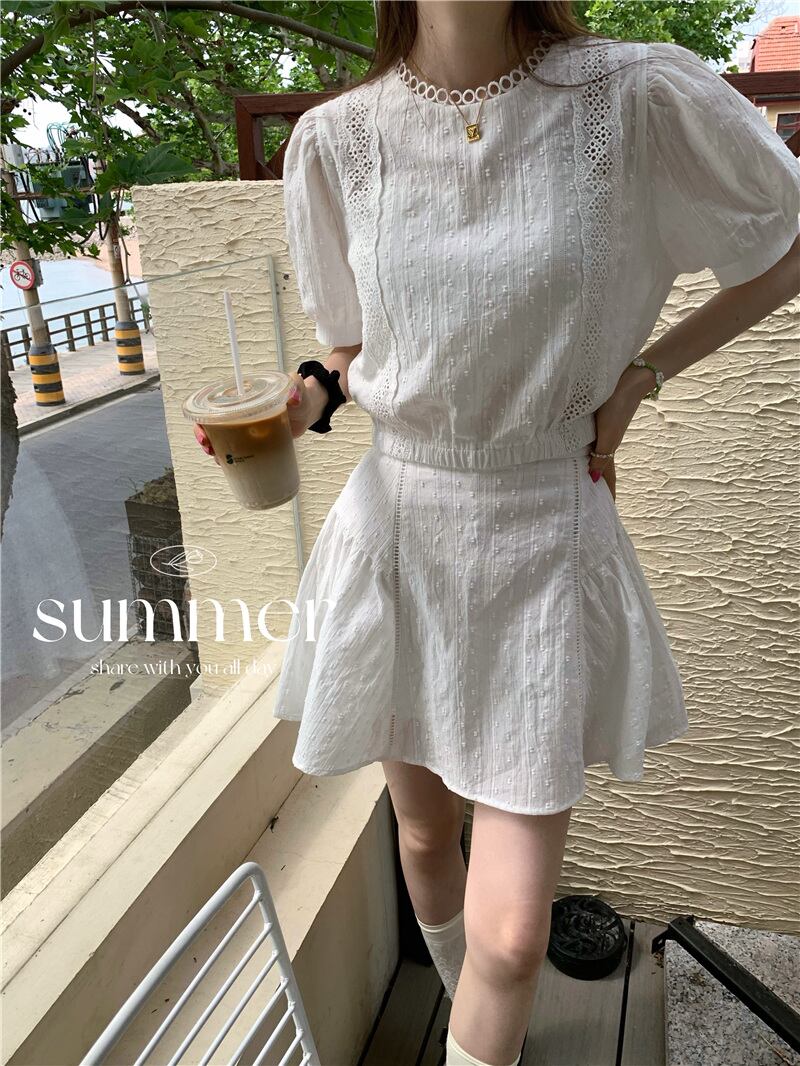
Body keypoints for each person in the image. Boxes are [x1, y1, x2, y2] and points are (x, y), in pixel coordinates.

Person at [196, 3, 800, 1063]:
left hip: (543, 529)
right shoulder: (336, 139)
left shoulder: (636, 96)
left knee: (514, 934)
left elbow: (784, 243)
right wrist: (304, 400)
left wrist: (642, 377)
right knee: (426, 834)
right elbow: (355, 350)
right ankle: (483, 1032)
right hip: (397, 528)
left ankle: (483, 1021)